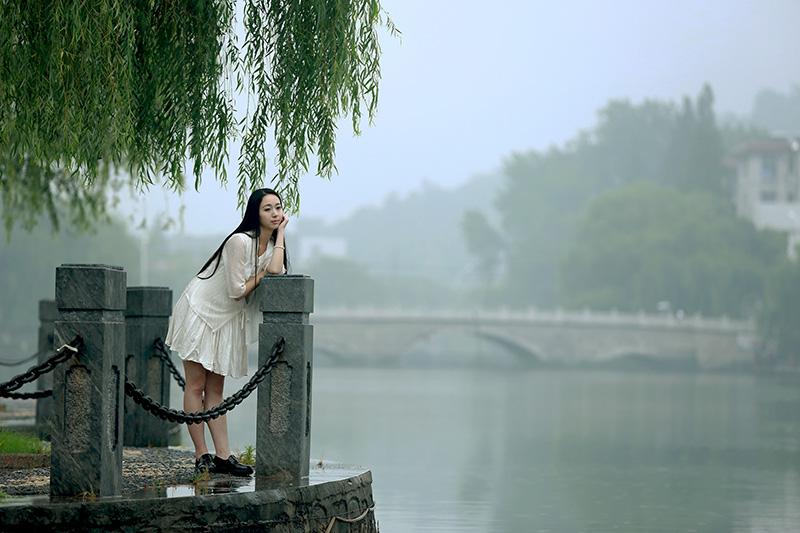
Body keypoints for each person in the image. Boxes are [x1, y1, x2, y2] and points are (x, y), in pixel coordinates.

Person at [165, 188, 289, 476]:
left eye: (278, 208)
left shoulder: (271, 247)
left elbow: (278, 269)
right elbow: (236, 291)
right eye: (267, 208)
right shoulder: (238, 241)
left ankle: (223, 456)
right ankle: (201, 454)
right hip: (201, 311)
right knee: (196, 385)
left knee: (217, 389)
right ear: (255, 213)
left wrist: (280, 235)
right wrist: (262, 275)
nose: (274, 213)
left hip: (228, 320)